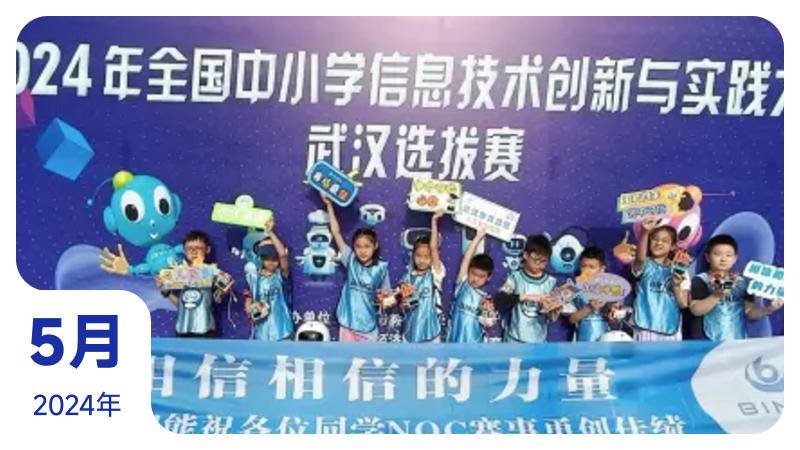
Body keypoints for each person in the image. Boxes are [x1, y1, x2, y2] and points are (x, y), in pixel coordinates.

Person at [321, 193, 391, 342]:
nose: (362, 251)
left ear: (375, 246)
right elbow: (336, 232)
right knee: (347, 358)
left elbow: (387, 296)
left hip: (369, 326)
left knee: (367, 358)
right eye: (358, 246)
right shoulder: (350, 259)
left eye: (367, 246)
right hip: (348, 323)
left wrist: (386, 299)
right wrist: (329, 204)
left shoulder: (381, 268)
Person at [689, 234, 784, 341]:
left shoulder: (743, 282)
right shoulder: (700, 280)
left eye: (728, 255)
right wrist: (717, 295)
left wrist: (769, 309)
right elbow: (695, 310)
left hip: (737, 342)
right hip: (708, 342)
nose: (723, 259)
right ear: (707, 257)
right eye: (717, 254)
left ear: (735, 258)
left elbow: (749, 312)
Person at [156, 230, 233, 337]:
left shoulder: (212, 271)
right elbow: (181, 304)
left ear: (207, 249)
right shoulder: (178, 273)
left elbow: (217, 298)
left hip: (205, 329)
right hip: (182, 329)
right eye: (189, 248)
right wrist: (166, 292)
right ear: (184, 250)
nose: (193, 252)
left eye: (198, 248)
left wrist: (223, 290)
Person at [630, 217, 690, 341]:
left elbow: (683, 303)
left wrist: (676, 285)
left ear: (673, 246)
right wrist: (645, 232)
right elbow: (640, 259)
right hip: (644, 327)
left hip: (670, 329)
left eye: (665, 241)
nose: (659, 243)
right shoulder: (644, 264)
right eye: (655, 239)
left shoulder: (680, 270)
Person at [495, 234, 559, 343]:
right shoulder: (515, 278)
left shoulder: (550, 282)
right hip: (515, 340)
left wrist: (554, 310)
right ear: (525, 255)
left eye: (543, 261)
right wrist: (528, 297)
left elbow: (551, 317)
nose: (538, 264)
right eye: (535, 259)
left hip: (538, 342)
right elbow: (499, 300)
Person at [398, 210, 446, 342]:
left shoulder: (435, 274)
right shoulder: (407, 278)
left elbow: (433, 248)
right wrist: (404, 304)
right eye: (418, 256)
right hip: (410, 335)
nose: (422, 260)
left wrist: (434, 221)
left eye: (426, 257)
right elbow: (402, 305)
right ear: (412, 255)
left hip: (431, 334)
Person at [243, 218, 294, 341]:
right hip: (261, 332)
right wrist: (249, 307)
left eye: (274, 259)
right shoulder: (253, 277)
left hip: (282, 331)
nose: (271, 262)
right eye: (267, 258)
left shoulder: (281, 275)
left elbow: (283, 254)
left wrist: (270, 232)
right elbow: (248, 296)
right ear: (261, 258)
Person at [446, 227, 496, 343]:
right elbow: (466, 258)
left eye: (481, 276)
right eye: (473, 273)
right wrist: (477, 238)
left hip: (474, 346)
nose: (476, 279)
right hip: (453, 342)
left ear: (488, 277)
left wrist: (488, 313)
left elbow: (489, 323)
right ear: (468, 271)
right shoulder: (462, 284)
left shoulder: (486, 299)